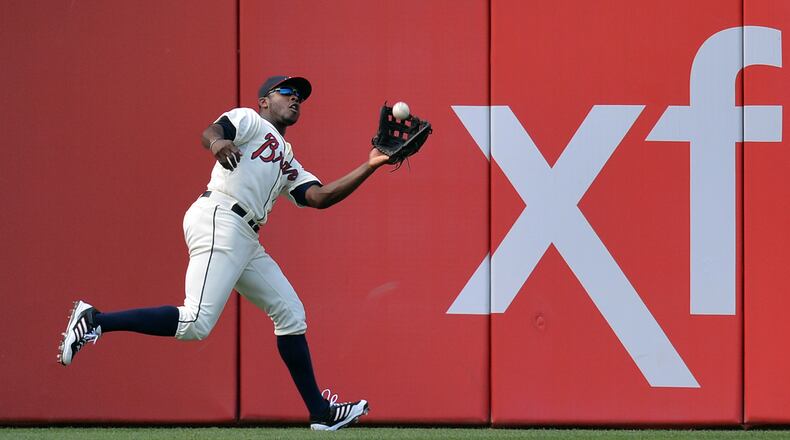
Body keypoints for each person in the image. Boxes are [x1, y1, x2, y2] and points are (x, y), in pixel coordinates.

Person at [57, 75, 390, 431]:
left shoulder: (288, 157)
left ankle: (321, 413)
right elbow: (212, 131)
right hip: (221, 216)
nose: (296, 99)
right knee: (195, 322)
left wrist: (371, 165)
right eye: (287, 93)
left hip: (245, 237)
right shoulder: (251, 119)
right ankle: (95, 321)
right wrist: (218, 144)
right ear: (264, 101)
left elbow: (319, 197)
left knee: (291, 313)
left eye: (300, 97)